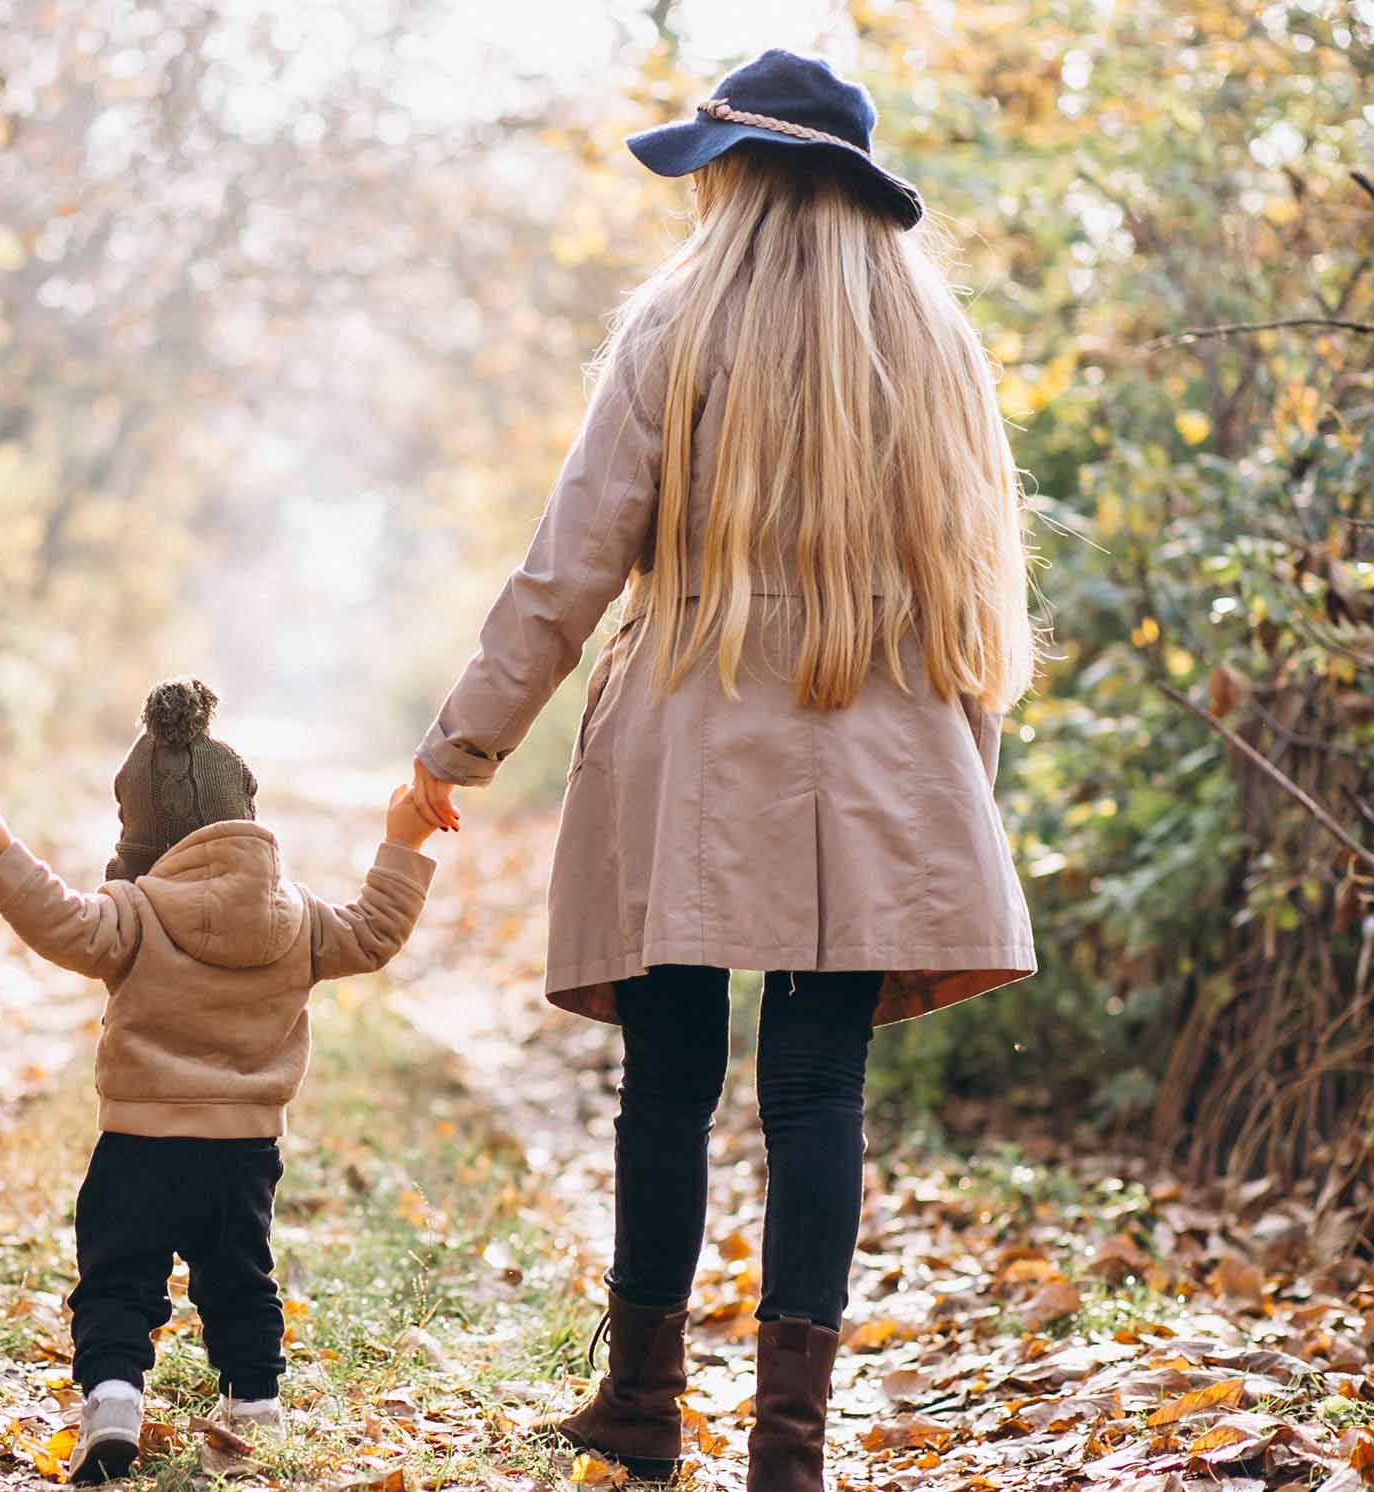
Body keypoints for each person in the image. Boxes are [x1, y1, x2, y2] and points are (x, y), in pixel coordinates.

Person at [406, 50, 1037, 1492]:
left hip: (687, 737)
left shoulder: (673, 329)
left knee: (669, 1082)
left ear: (736, 178)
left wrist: (460, 748)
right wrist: (963, 779)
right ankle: (789, 1450)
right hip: (885, 742)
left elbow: (567, 572)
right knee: (820, 1094)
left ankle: (642, 1406)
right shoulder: (936, 344)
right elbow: (978, 589)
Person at [0, 680, 438, 1484]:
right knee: (240, 1274)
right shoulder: (302, 919)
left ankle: (112, 1399)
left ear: (139, 832)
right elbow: (378, 932)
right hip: (243, 1149)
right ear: (248, 815)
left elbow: (60, 919)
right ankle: (254, 1405)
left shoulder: (134, 911)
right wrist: (404, 840)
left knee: (117, 1276)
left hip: (138, 1140)